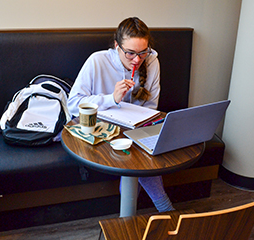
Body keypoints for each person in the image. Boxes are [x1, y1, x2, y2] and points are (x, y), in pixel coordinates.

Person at [67, 17, 174, 212]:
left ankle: (133, 213)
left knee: (145, 147)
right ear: (117, 45)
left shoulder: (152, 62)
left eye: (143, 53)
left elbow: (151, 108)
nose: (137, 60)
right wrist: (111, 99)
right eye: (130, 53)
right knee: (139, 154)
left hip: (136, 130)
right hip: (100, 130)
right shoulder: (97, 61)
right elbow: (73, 105)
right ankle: (164, 208)